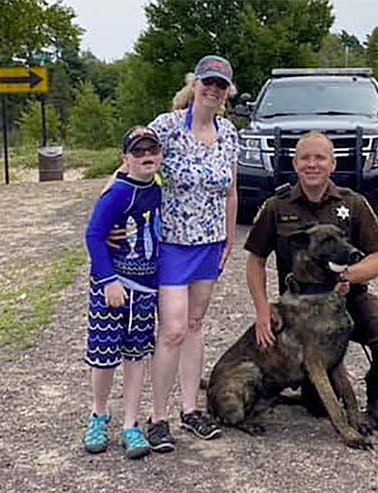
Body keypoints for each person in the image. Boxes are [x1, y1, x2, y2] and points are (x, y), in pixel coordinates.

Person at [244, 131, 378, 431]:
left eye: (319, 158)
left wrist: (346, 276)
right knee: (317, 407)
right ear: (294, 164)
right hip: (301, 311)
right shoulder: (276, 207)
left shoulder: (353, 203)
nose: (312, 164)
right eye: (305, 158)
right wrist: (262, 310)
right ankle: (305, 390)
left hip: (347, 300)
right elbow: (255, 261)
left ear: (332, 163)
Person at [144, 55, 239, 452]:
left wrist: (230, 237)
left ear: (227, 92)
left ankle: (189, 409)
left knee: (197, 324)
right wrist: (111, 209)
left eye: (221, 86)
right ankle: (157, 416)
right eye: (208, 83)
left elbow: (231, 190)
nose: (213, 91)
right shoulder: (167, 126)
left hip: (210, 244)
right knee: (173, 329)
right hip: (172, 242)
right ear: (195, 84)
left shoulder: (230, 133)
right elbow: (134, 160)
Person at [83, 126, 163, 459]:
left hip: (145, 288)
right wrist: (108, 281)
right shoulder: (118, 192)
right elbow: (93, 234)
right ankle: (98, 413)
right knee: (104, 356)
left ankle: (131, 423)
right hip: (114, 287)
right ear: (125, 159)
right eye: (138, 152)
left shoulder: (159, 186)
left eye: (152, 151)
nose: (146, 157)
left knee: (136, 355)